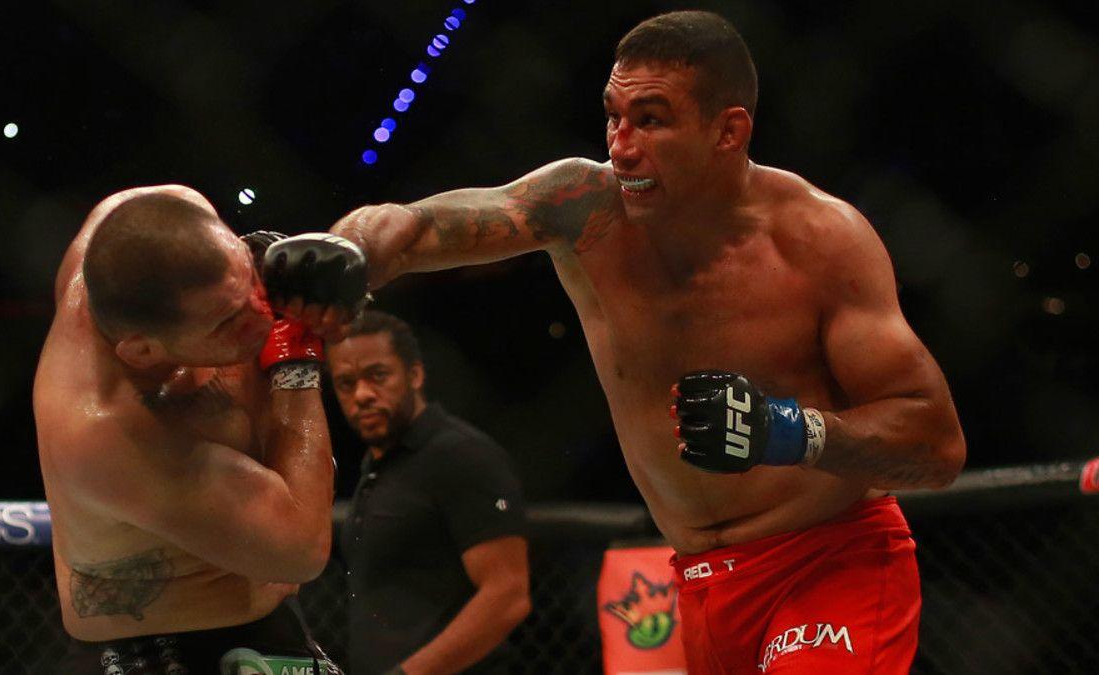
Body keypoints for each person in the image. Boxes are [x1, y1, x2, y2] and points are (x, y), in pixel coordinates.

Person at [289, 11, 968, 674]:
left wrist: (788, 431)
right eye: (613, 117)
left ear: (728, 131)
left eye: (651, 120)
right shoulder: (586, 211)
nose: (621, 145)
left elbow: (936, 445)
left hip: (830, 564)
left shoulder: (820, 242)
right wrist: (344, 251)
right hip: (700, 586)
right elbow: (418, 227)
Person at [33, 184, 366, 673]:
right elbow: (300, 548)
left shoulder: (144, 220)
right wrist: (296, 354)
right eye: (228, 320)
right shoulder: (107, 430)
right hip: (154, 652)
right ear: (143, 350)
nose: (260, 316)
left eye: (249, 282)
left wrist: (266, 260)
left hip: (275, 624)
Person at [325, 310, 531, 675]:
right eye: (345, 383)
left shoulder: (462, 455)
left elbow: (508, 595)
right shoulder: (380, 463)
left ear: (415, 375)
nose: (362, 394)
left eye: (378, 375)